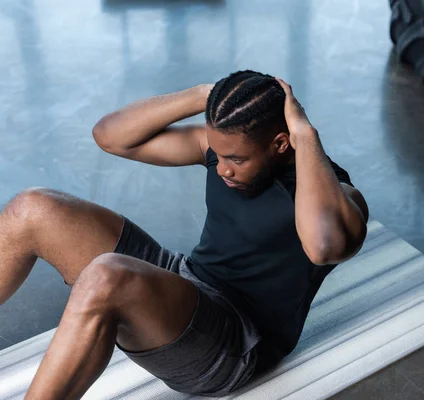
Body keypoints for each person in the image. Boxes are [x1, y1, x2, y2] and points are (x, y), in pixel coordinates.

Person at [0, 70, 369, 399]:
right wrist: (205, 96)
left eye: (237, 160)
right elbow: (111, 137)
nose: (222, 169)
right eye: (218, 155)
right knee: (33, 208)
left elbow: (323, 247)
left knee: (105, 274)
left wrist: (305, 134)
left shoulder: (340, 199)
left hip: (235, 342)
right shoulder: (225, 150)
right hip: (185, 285)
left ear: (281, 143)